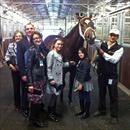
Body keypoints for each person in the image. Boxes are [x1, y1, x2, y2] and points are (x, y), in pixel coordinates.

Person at [94, 29, 124, 123]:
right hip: (102, 74)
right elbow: (92, 42)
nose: (113, 37)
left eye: (115, 35)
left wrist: (103, 53)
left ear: (117, 37)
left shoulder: (119, 48)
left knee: (113, 95)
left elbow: (114, 60)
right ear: (109, 35)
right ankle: (101, 110)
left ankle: (114, 115)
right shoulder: (101, 44)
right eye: (111, 35)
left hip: (112, 75)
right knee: (102, 93)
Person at [46, 38, 75, 122]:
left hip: (59, 78)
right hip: (53, 79)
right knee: (53, 96)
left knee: (55, 96)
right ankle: (50, 114)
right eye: (58, 44)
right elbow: (48, 68)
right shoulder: (51, 54)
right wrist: (51, 79)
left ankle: (53, 112)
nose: (60, 46)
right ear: (54, 44)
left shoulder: (59, 54)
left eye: (61, 44)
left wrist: (69, 63)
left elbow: (61, 65)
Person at [26, 31, 48, 127]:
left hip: (41, 79)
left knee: (38, 100)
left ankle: (36, 118)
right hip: (35, 81)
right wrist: (30, 83)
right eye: (35, 38)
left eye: (39, 37)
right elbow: (28, 68)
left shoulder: (40, 49)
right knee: (35, 101)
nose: (37, 39)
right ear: (32, 40)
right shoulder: (31, 50)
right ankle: (33, 121)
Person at [17, 22, 35, 117]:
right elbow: (19, 59)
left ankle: (36, 106)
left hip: (35, 72)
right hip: (26, 71)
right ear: (25, 30)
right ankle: (25, 108)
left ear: (34, 29)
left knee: (35, 90)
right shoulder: (20, 43)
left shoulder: (37, 40)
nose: (29, 30)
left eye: (31, 28)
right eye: (27, 29)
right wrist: (23, 74)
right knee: (25, 90)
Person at [5, 30, 24, 111]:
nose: (18, 37)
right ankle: (17, 105)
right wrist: (10, 64)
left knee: (24, 88)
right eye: (16, 36)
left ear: (22, 37)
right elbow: (7, 56)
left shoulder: (25, 45)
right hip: (15, 69)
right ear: (14, 37)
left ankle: (24, 104)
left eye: (20, 36)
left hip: (24, 70)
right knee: (16, 87)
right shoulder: (10, 45)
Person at [74, 47, 93, 119]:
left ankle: (86, 112)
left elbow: (85, 73)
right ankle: (82, 110)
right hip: (80, 80)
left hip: (84, 82)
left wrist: (81, 84)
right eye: (79, 53)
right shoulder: (81, 60)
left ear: (85, 53)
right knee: (81, 96)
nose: (80, 54)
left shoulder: (86, 61)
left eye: (81, 53)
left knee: (86, 97)